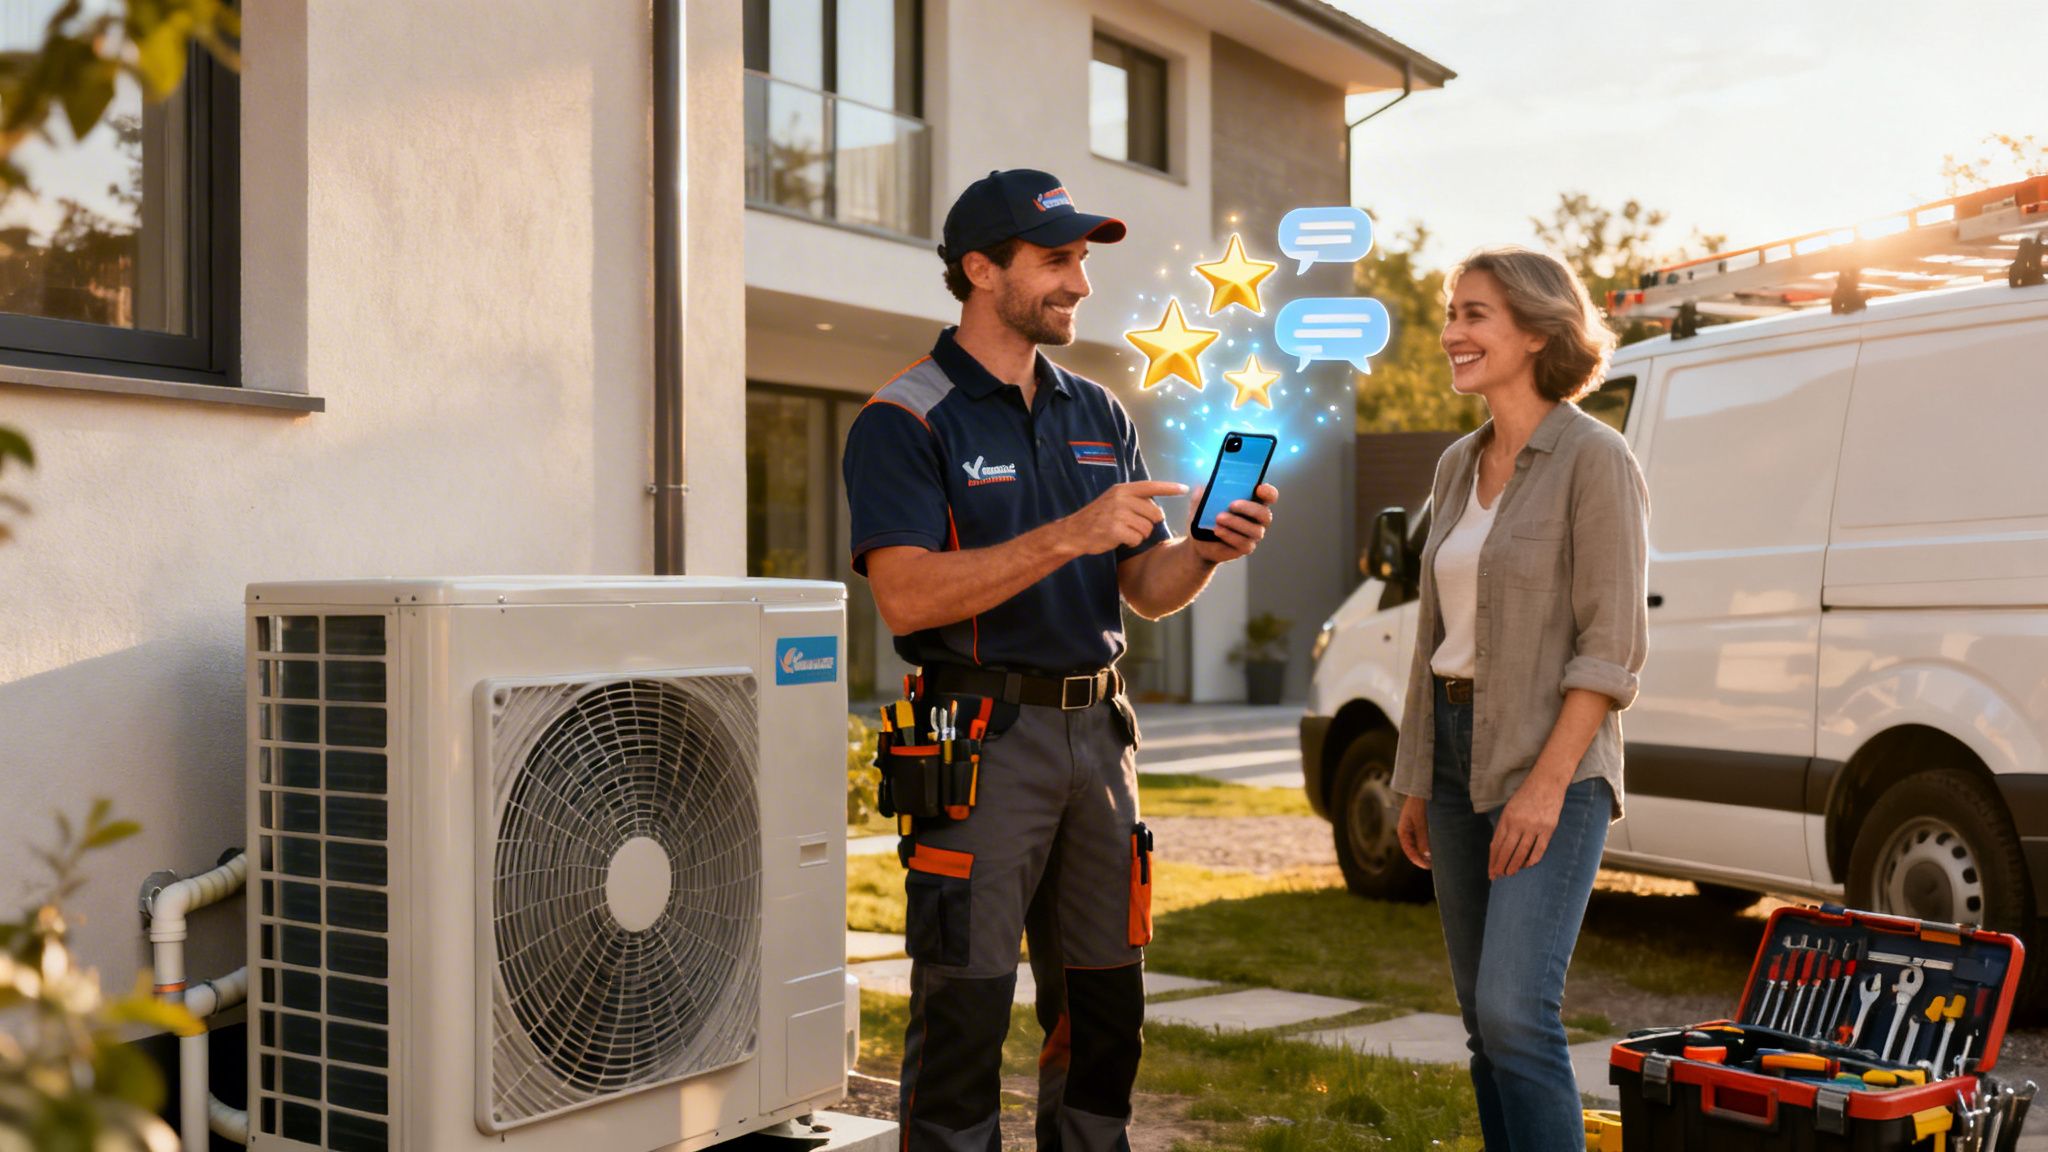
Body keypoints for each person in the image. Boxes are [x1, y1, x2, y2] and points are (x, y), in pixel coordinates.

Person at [842, 168, 1278, 1152]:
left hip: (1099, 740)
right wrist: (1066, 534)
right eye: (1055, 261)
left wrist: (1205, 548)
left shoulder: (1098, 413)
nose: (1079, 282)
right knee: (964, 1010)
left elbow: (1145, 587)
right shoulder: (902, 421)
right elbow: (905, 594)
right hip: (977, 745)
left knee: (1105, 1011)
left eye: (1081, 260)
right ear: (979, 270)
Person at [1390, 246, 1648, 1151]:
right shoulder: (1458, 465)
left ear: (1537, 331)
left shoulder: (1595, 457)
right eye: (1451, 313)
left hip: (1554, 762)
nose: (1451, 333)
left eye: (1473, 316)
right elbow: (1435, 637)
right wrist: (1417, 779)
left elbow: (1611, 648)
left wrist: (1545, 784)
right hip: (1455, 755)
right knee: (1480, 1022)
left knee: (1515, 1012)